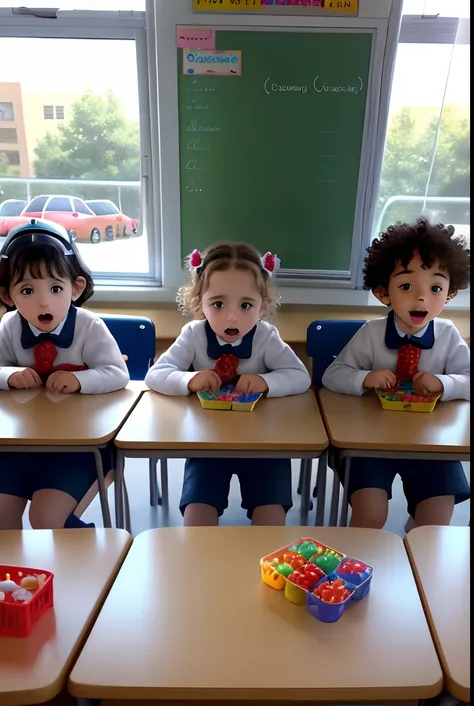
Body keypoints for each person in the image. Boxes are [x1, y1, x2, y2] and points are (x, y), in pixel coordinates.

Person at [145, 241, 311, 526]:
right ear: (199, 303)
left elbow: (300, 376)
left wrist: (265, 381)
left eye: (246, 305)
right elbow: (156, 375)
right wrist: (189, 379)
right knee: (196, 521)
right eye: (218, 304)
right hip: (207, 444)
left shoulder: (266, 336)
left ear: (262, 306)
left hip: (264, 446)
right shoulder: (193, 334)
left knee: (271, 521)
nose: (232, 317)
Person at [322, 217, 470, 531]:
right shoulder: (371, 333)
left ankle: (414, 548)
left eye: (435, 288)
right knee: (371, 515)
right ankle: (360, 558)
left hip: (431, 444)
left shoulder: (448, 335)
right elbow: (333, 375)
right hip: (370, 444)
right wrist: (366, 378)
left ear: (449, 294)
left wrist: (443, 383)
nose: (421, 298)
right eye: (405, 286)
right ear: (382, 292)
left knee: (435, 520)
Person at [0, 219, 129, 530]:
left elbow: (118, 374)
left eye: (56, 288)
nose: (44, 301)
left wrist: (80, 380)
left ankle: (90, 551)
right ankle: (21, 564)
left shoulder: (89, 326)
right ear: (7, 296)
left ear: (76, 288)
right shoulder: (9, 326)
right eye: (27, 290)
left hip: (79, 449)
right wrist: (9, 376)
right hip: (18, 447)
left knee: (45, 519)